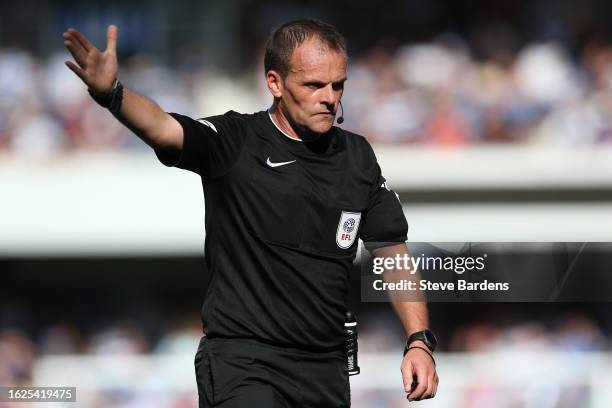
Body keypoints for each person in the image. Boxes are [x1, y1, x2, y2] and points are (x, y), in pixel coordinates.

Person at [63, 19, 439, 407]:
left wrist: (418, 341)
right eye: (313, 85)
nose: (330, 97)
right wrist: (113, 94)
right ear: (275, 83)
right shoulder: (235, 141)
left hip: (324, 367)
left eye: (338, 84)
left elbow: (392, 254)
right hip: (243, 361)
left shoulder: (357, 158)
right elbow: (163, 128)